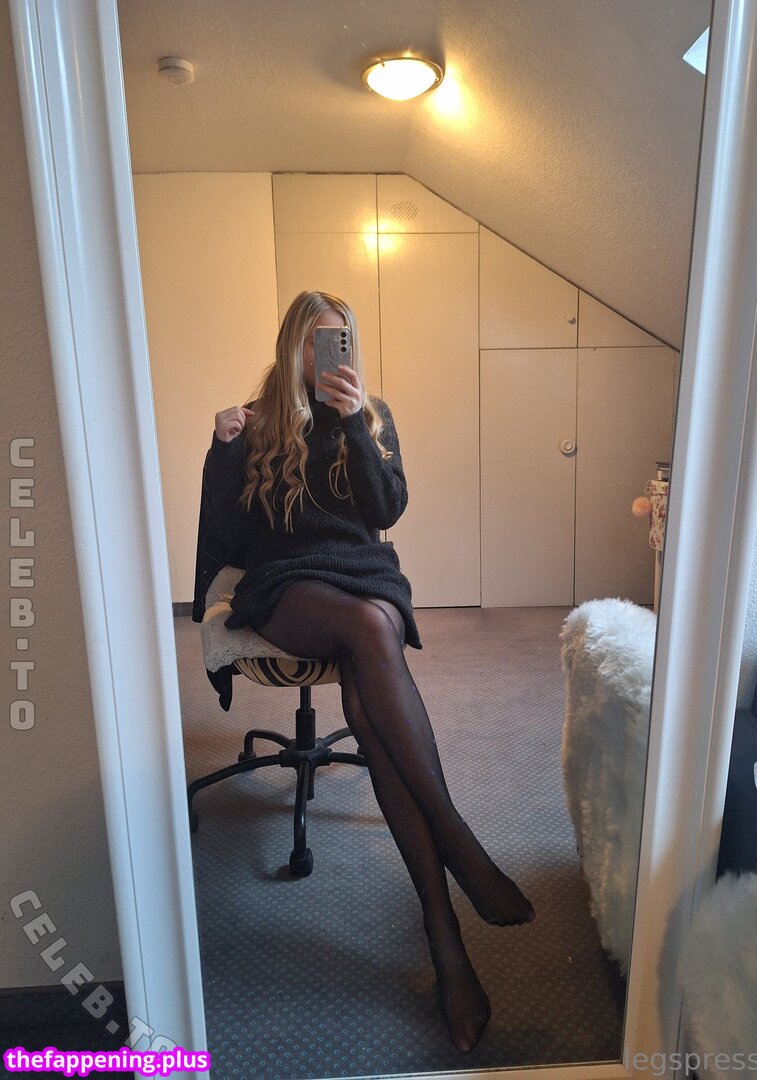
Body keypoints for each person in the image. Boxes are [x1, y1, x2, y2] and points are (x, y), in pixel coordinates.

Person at [203, 290, 534, 1053]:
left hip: (364, 574)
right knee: (369, 627)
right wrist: (222, 449)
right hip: (288, 583)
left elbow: (387, 510)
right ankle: (457, 842)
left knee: (374, 661)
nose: (330, 356)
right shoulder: (255, 421)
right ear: (293, 346)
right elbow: (225, 536)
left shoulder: (372, 413)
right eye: (316, 342)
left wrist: (353, 422)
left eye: (341, 341)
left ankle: (446, 943)